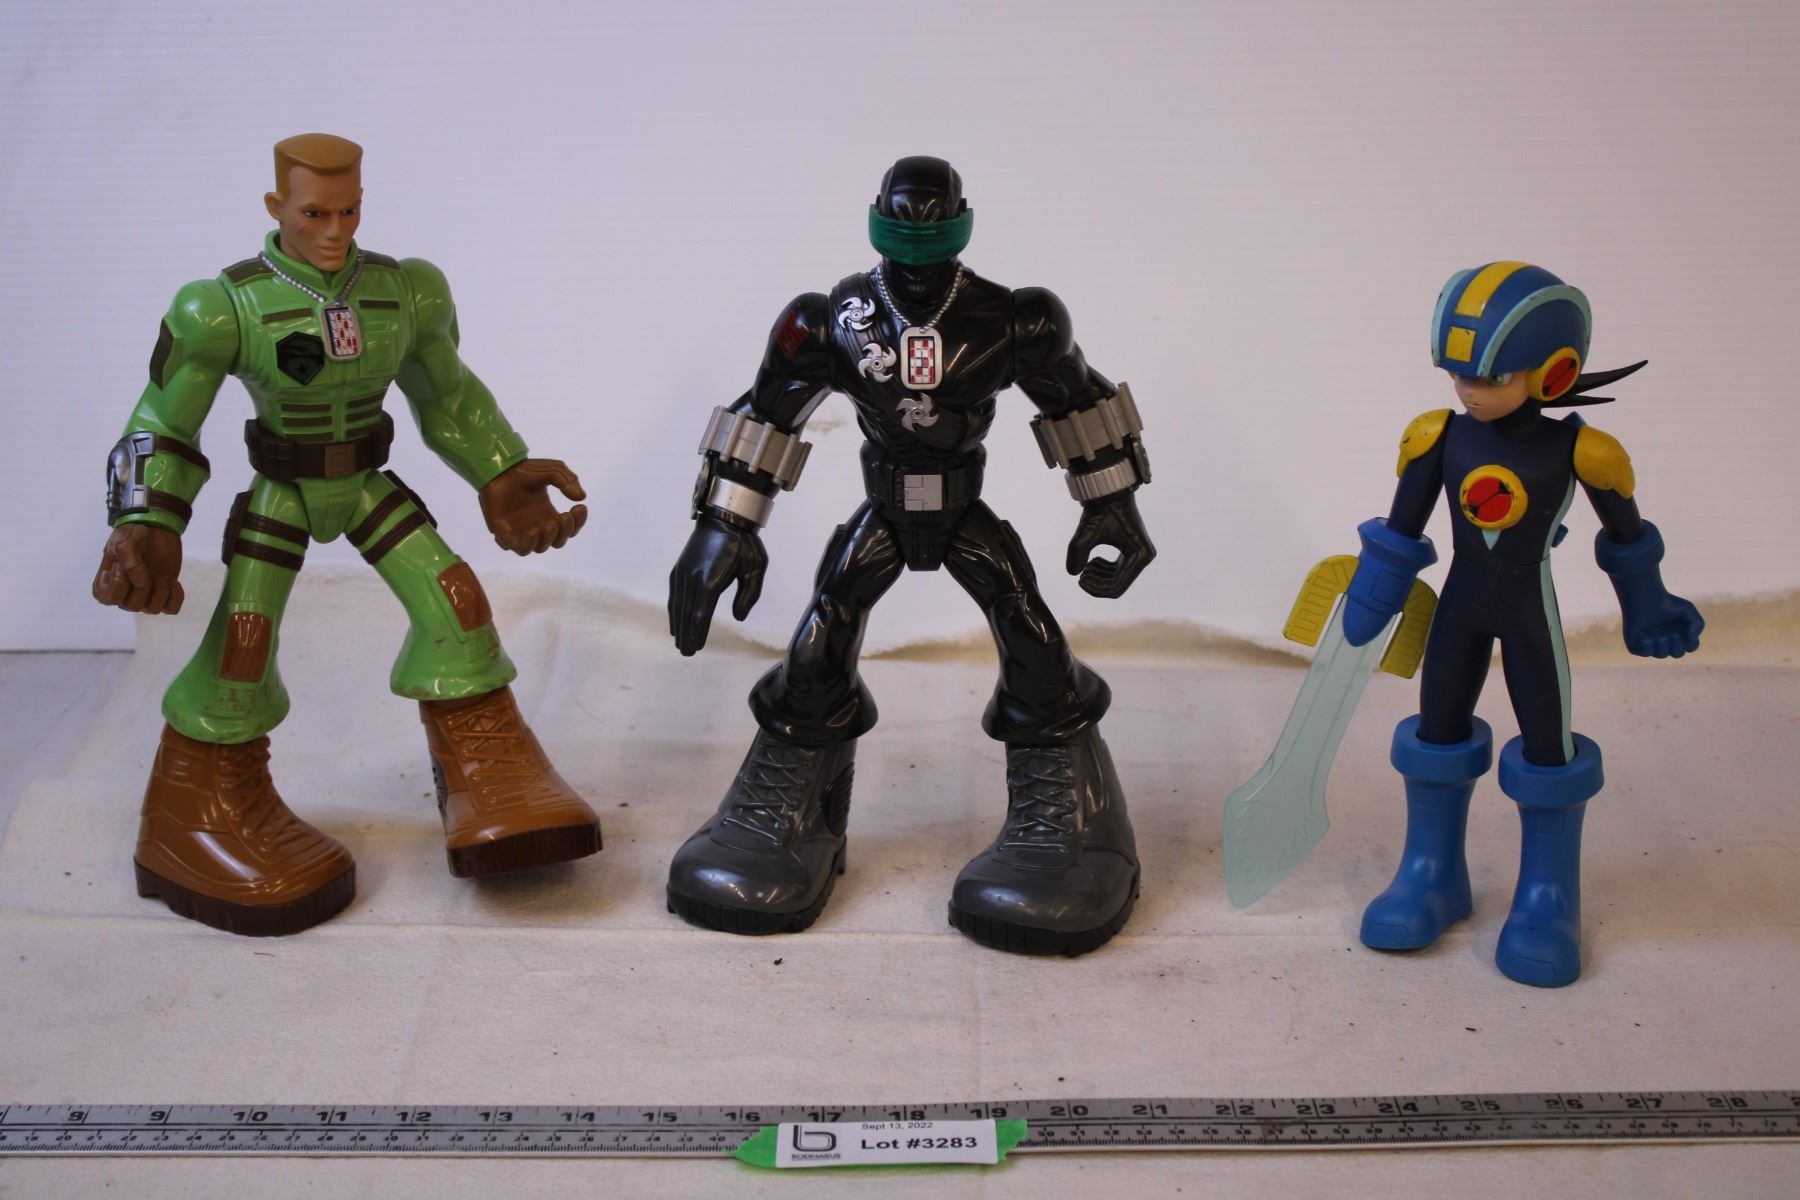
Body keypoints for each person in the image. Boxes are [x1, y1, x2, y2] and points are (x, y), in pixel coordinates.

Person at [94, 133, 600, 936]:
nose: (334, 231)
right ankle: (195, 811)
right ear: (277, 207)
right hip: (284, 490)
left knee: (456, 597)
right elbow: (162, 416)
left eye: (350, 211)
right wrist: (146, 517)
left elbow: (448, 394)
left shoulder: (405, 292)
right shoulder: (223, 306)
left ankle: (489, 770)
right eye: (314, 214)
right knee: (243, 637)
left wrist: (499, 470)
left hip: (366, 483)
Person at [666, 156, 1156, 956]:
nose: (919, 259)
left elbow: (1081, 401)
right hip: (887, 510)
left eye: (933, 235)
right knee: (823, 633)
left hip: (962, 510)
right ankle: (788, 801)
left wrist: (1112, 503)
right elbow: (768, 414)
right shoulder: (830, 321)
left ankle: (1073, 815)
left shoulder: (1011, 320)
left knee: (1030, 632)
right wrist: (724, 525)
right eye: (904, 236)